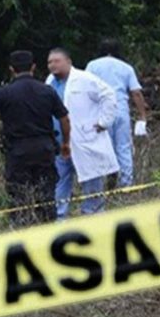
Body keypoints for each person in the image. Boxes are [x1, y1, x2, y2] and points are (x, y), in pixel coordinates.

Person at [0, 50, 71, 226]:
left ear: (11, 69)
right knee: (46, 197)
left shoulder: (4, 93)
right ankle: (48, 233)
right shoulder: (47, 91)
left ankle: (21, 235)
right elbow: (64, 118)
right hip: (44, 150)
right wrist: (66, 143)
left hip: (18, 153)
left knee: (19, 200)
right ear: (33, 67)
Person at [46, 48, 119, 219]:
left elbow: (109, 96)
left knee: (92, 182)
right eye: (49, 62)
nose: (52, 65)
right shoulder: (49, 82)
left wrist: (103, 122)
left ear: (68, 62)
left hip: (85, 139)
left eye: (57, 61)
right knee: (60, 182)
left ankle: (93, 216)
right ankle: (60, 218)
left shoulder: (85, 79)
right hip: (59, 142)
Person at [86, 38, 149, 187]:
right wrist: (142, 116)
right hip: (121, 110)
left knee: (102, 148)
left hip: (100, 111)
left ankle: (102, 184)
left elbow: (86, 89)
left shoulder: (92, 66)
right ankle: (126, 184)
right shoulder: (126, 67)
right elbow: (136, 93)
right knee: (123, 147)